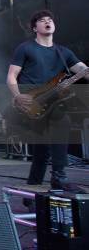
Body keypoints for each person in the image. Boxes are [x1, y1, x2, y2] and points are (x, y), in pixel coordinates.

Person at [6, 10, 89, 192]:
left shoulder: (64, 52)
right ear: (35, 28)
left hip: (53, 104)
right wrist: (17, 96)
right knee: (47, 142)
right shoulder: (25, 48)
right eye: (42, 21)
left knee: (48, 142)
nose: (47, 22)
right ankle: (53, 179)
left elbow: (83, 70)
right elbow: (12, 75)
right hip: (31, 103)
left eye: (50, 20)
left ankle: (44, 184)